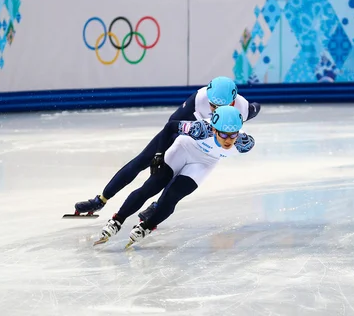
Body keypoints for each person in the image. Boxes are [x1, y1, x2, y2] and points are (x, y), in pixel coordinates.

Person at [70, 77, 260, 216]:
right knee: (143, 161)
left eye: (219, 107)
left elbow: (254, 108)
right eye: (212, 105)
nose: (214, 110)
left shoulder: (242, 110)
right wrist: (160, 153)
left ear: (233, 102)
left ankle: (157, 205)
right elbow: (171, 124)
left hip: (207, 147)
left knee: (182, 178)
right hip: (186, 131)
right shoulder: (200, 98)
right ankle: (101, 199)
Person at [93, 105, 255, 247]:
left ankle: (147, 226)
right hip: (183, 149)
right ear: (213, 129)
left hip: (204, 163)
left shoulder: (244, 143)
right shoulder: (200, 128)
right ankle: (117, 220)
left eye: (233, 135)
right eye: (224, 135)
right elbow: (170, 127)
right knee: (152, 186)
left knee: (172, 196)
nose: (228, 140)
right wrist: (158, 154)